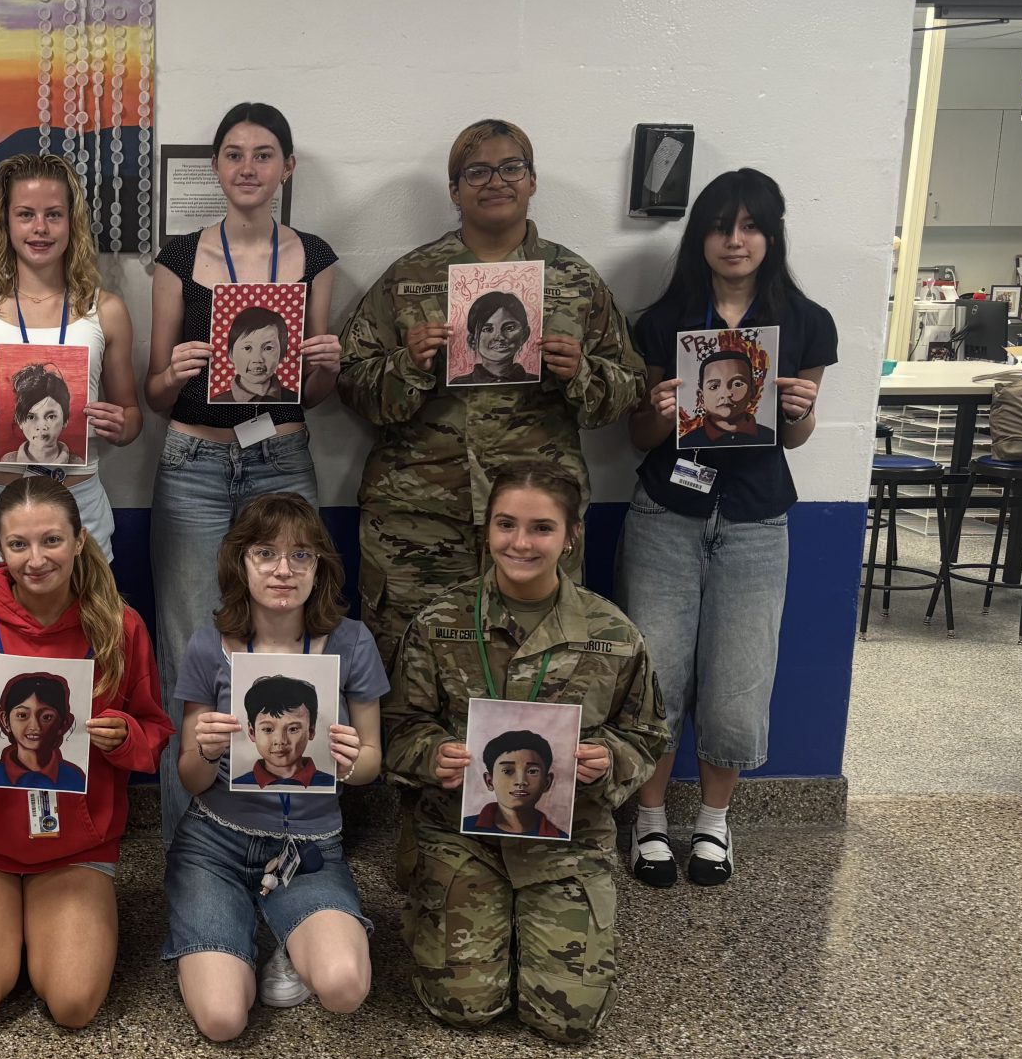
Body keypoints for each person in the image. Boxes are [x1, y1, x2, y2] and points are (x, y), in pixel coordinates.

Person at [339, 117, 645, 671]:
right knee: (410, 675)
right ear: (454, 190)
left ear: (531, 181)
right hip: (419, 520)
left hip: (536, 519)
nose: (495, 181)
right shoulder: (409, 280)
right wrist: (408, 365)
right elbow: (350, 383)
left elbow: (628, 390)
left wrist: (579, 373)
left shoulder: (573, 280)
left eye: (511, 168)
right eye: (476, 171)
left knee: (537, 671)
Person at [384, 462, 667, 1043]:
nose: (520, 542)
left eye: (541, 528)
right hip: (464, 836)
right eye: (506, 524)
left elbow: (647, 732)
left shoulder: (612, 633)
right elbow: (396, 726)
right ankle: (467, 917)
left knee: (566, 1021)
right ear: (486, 530)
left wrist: (608, 759)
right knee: (466, 1009)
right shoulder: (439, 624)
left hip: (566, 840)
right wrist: (430, 752)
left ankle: (534, 927)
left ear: (571, 536)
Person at [619, 168, 835, 888]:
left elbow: (795, 439)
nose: (735, 240)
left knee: (739, 681)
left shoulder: (807, 322)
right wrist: (657, 403)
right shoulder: (661, 320)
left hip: (755, 518)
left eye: (750, 226)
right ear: (700, 236)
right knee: (656, 673)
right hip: (666, 515)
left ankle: (713, 822)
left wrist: (801, 411)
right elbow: (641, 436)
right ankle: (650, 822)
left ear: (771, 235)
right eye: (720, 226)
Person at [145, 102, 343, 846]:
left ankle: (283, 828)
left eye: (265, 154)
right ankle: (186, 845)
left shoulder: (313, 257)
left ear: (287, 168)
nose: (249, 168)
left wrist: (325, 370)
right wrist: (174, 370)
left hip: (281, 455)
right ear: (216, 168)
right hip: (193, 458)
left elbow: (312, 394)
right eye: (234, 154)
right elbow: (152, 391)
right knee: (192, 646)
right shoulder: (177, 256)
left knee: (287, 636)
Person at [0, 477, 171, 1028]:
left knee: (74, 1006)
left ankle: (43, 929)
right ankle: (8, 925)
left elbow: (154, 734)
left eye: (51, 541)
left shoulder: (119, 627)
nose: (35, 560)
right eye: (18, 545)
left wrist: (124, 736)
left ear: (79, 541)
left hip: (75, 840)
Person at [169, 493, 383, 1041]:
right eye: (265, 553)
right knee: (222, 1020)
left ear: (320, 568)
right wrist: (208, 750)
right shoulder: (208, 647)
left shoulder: (352, 643)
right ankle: (242, 928)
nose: (283, 570)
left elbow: (372, 766)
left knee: (344, 988)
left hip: (307, 849)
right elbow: (189, 776)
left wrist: (353, 760)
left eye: (301, 556)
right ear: (240, 562)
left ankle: (284, 930)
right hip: (215, 843)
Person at [0, 153, 143, 588]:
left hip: (77, 500)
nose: (40, 228)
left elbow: (132, 419)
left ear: (72, 222)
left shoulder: (105, 311)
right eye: (26, 215)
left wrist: (121, 425)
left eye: (54, 215)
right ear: (5, 222)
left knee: (84, 644)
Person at [0, 672, 87, 793]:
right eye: (22, 715)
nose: (34, 726)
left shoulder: (76, 778)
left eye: (46, 717)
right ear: (5, 720)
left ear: (63, 723)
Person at [462, 729, 568, 839]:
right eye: (507, 771)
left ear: (547, 782)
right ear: (489, 781)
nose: (520, 781)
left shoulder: (560, 837)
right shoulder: (466, 828)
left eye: (532, 771)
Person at [229, 675, 326, 789]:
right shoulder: (239, 785)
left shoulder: (328, 783)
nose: (280, 741)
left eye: (293, 729)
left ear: (311, 730)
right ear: (252, 732)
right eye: (268, 730)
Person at [676, 350, 776, 448]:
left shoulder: (770, 437)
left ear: (753, 391)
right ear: (701, 398)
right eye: (714, 386)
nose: (726, 394)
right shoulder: (687, 443)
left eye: (737, 384)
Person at [448, 290, 540, 387]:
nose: (499, 337)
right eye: (487, 329)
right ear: (472, 341)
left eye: (509, 328)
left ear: (525, 335)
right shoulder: (458, 384)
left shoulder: (537, 383)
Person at [0, 362, 79, 465]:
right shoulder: (7, 461)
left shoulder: (78, 463)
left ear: (65, 420)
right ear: (19, 421)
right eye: (31, 417)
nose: (41, 426)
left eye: (51, 416)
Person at [219, 306, 292, 403]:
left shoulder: (293, 399)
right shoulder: (218, 402)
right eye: (247, 348)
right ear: (231, 354)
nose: (257, 359)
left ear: (281, 355)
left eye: (268, 348)